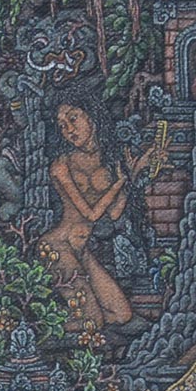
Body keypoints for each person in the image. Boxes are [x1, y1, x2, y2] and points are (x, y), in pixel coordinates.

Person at [40, 90, 153, 335]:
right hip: (57, 246)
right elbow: (90, 215)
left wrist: (132, 176)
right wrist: (119, 183)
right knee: (93, 322)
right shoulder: (62, 165)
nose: (69, 129)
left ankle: (57, 322)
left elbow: (113, 214)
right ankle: (38, 329)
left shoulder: (109, 160)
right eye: (62, 125)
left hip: (82, 250)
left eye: (73, 118)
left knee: (122, 315)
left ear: (91, 116)